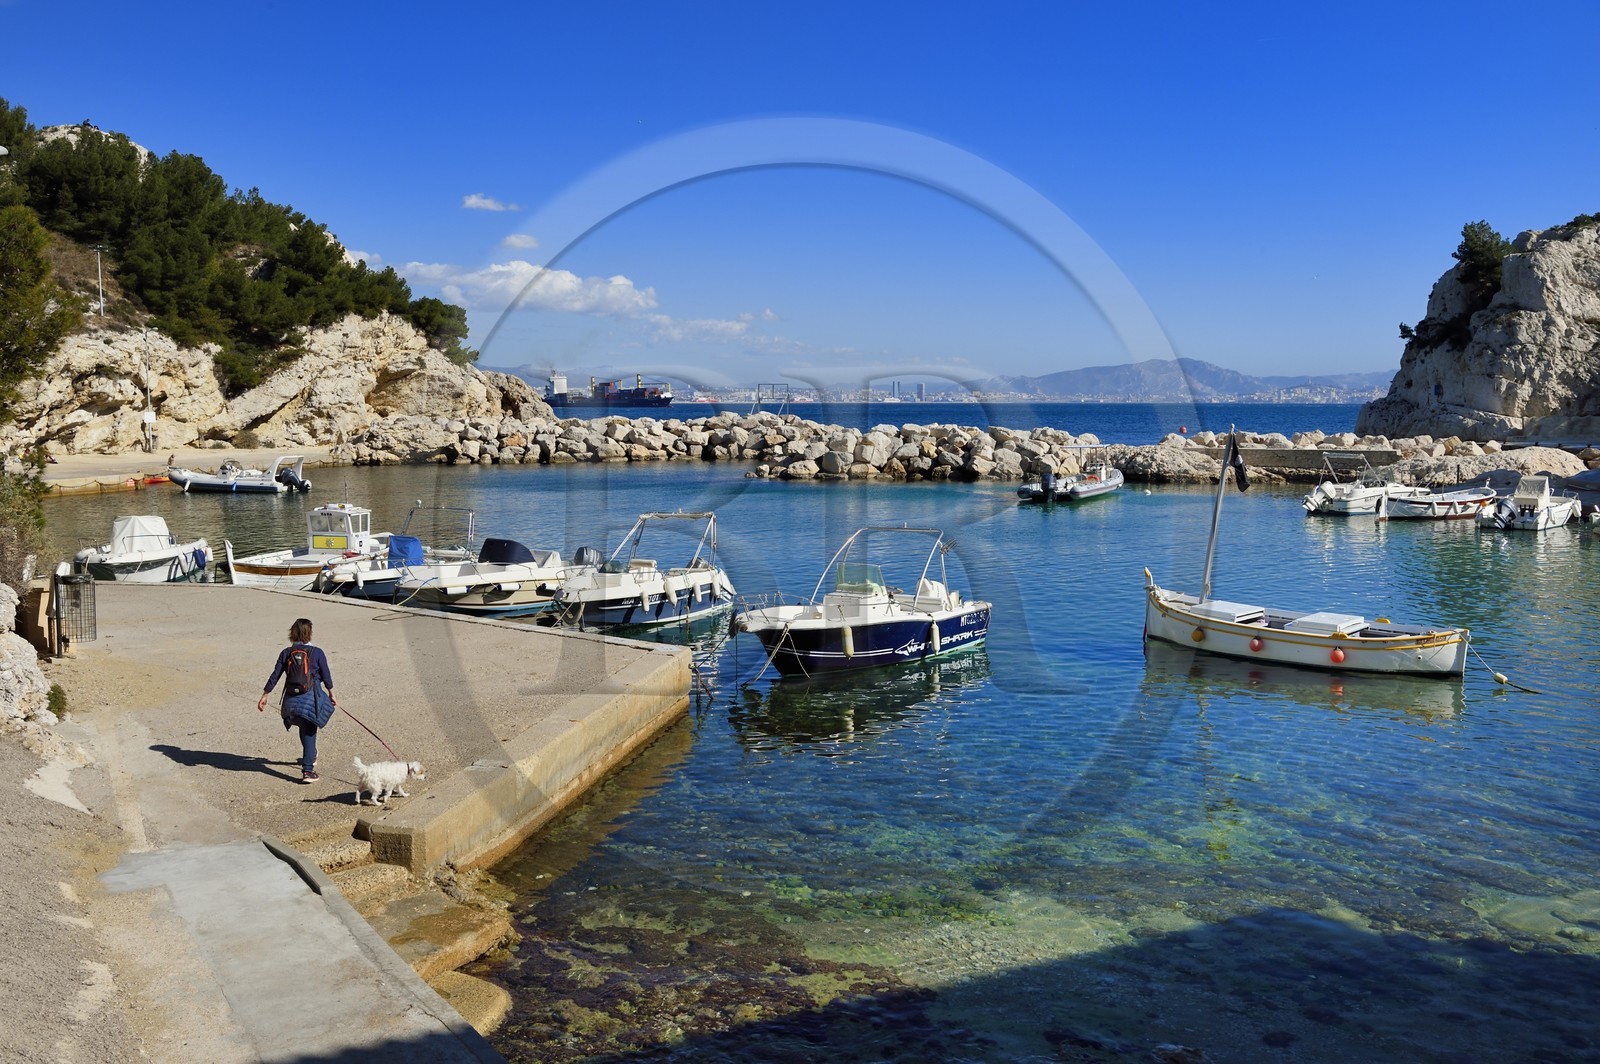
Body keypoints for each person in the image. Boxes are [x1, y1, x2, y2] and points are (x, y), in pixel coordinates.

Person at [257, 617, 337, 783]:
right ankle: (308, 770)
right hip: (310, 701)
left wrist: (265, 695)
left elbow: (275, 675)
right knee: (309, 730)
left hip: (290, 704)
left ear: (292, 633)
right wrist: (331, 694)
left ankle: (312, 754)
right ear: (309, 633)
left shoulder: (286, 653)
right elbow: (326, 676)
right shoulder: (317, 652)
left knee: (302, 725)